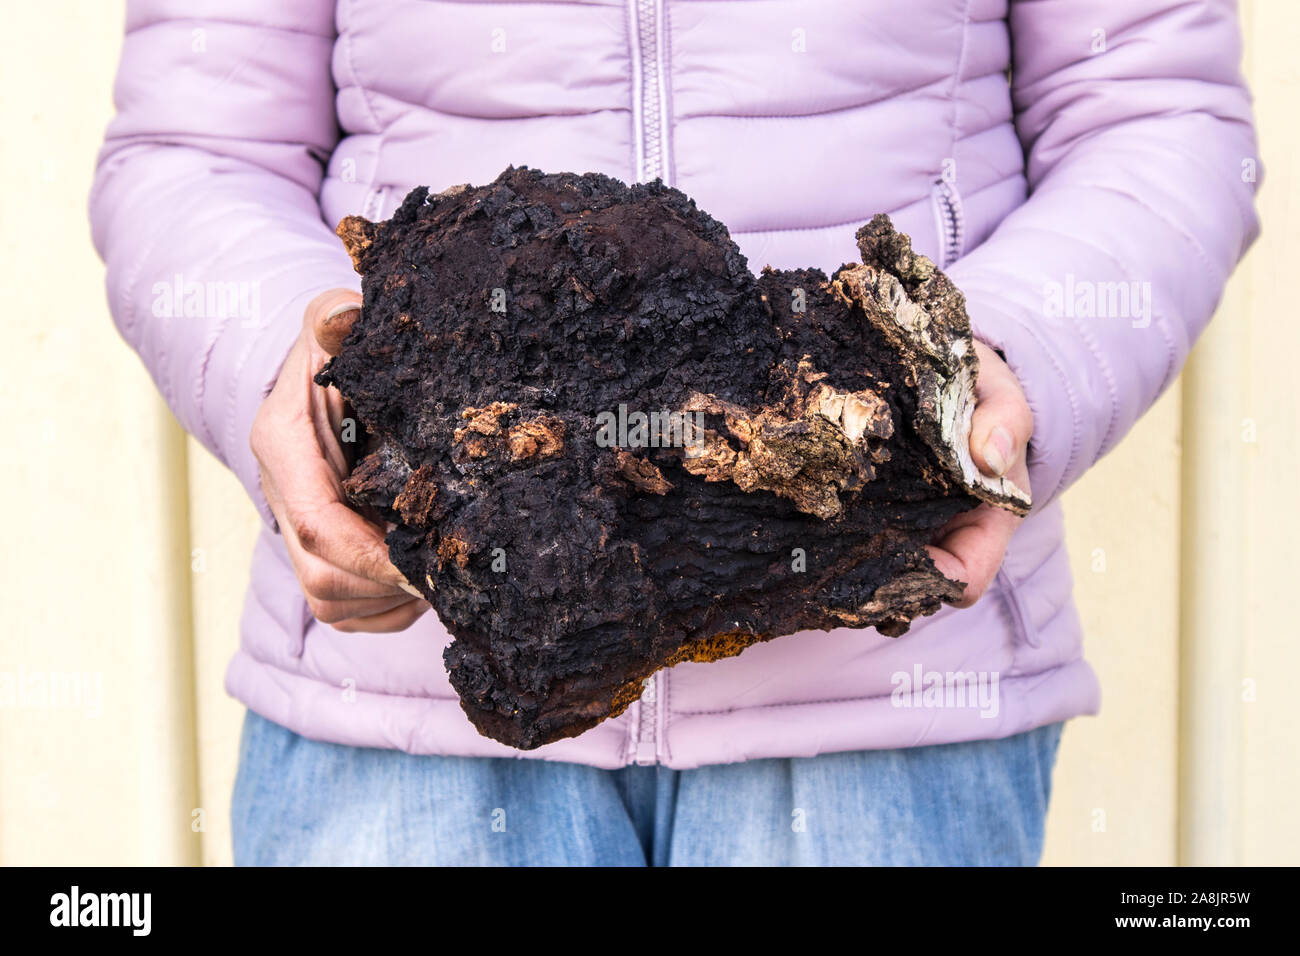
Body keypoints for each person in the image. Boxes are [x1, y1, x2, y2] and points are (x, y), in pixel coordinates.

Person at [90, 0, 1260, 866]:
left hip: (894, 704)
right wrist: (308, 401)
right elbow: (198, 150)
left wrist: (994, 369)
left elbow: (1155, 114)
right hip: (406, 703)